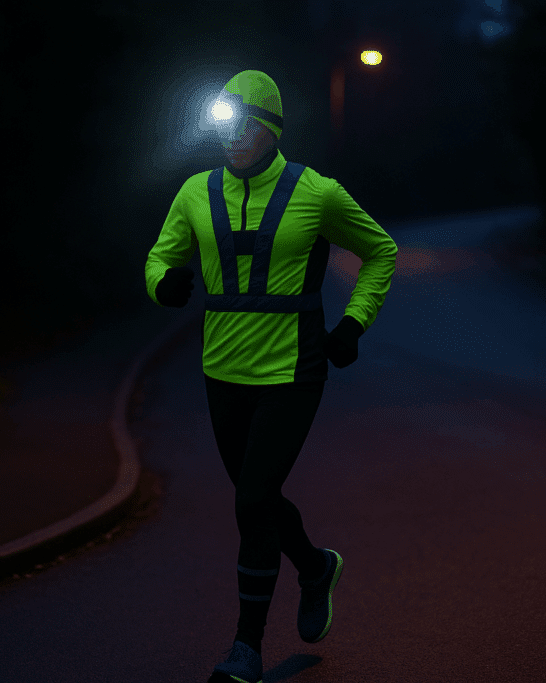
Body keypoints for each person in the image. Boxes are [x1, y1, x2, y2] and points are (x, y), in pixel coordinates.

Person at [144, 69, 397, 683]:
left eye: (247, 125)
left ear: (273, 130)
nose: (234, 138)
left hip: (294, 371)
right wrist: (164, 284)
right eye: (225, 125)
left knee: (253, 498)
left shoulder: (318, 193)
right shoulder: (194, 194)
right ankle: (315, 567)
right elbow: (158, 257)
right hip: (221, 371)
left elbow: (381, 250)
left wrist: (353, 324)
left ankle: (245, 650)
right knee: (255, 498)